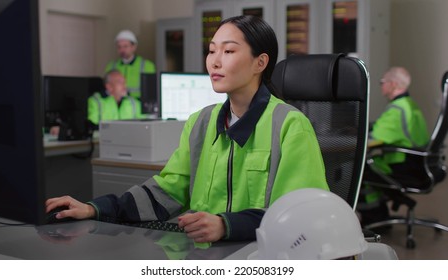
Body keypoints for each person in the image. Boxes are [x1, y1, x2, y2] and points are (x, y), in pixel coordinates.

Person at [46, 15, 329, 243]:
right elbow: (165, 193)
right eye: (211, 51)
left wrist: (226, 225)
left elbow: (299, 216)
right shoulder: (201, 123)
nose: (214, 61)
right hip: (204, 258)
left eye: (228, 51)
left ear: (261, 62)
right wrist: (95, 208)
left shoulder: (290, 125)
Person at [357, 67, 430, 227]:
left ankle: (375, 218)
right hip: (418, 164)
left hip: (403, 165)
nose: (381, 85)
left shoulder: (396, 109)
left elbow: (373, 139)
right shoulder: (409, 104)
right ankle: (382, 213)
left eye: (382, 82)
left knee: (361, 169)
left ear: (393, 84)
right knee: (372, 166)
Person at [105, 29, 156, 100]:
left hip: (137, 107)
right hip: (116, 108)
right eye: (119, 47)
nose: (122, 50)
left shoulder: (147, 66)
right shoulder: (110, 66)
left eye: (125, 46)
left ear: (134, 47)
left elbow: (151, 93)